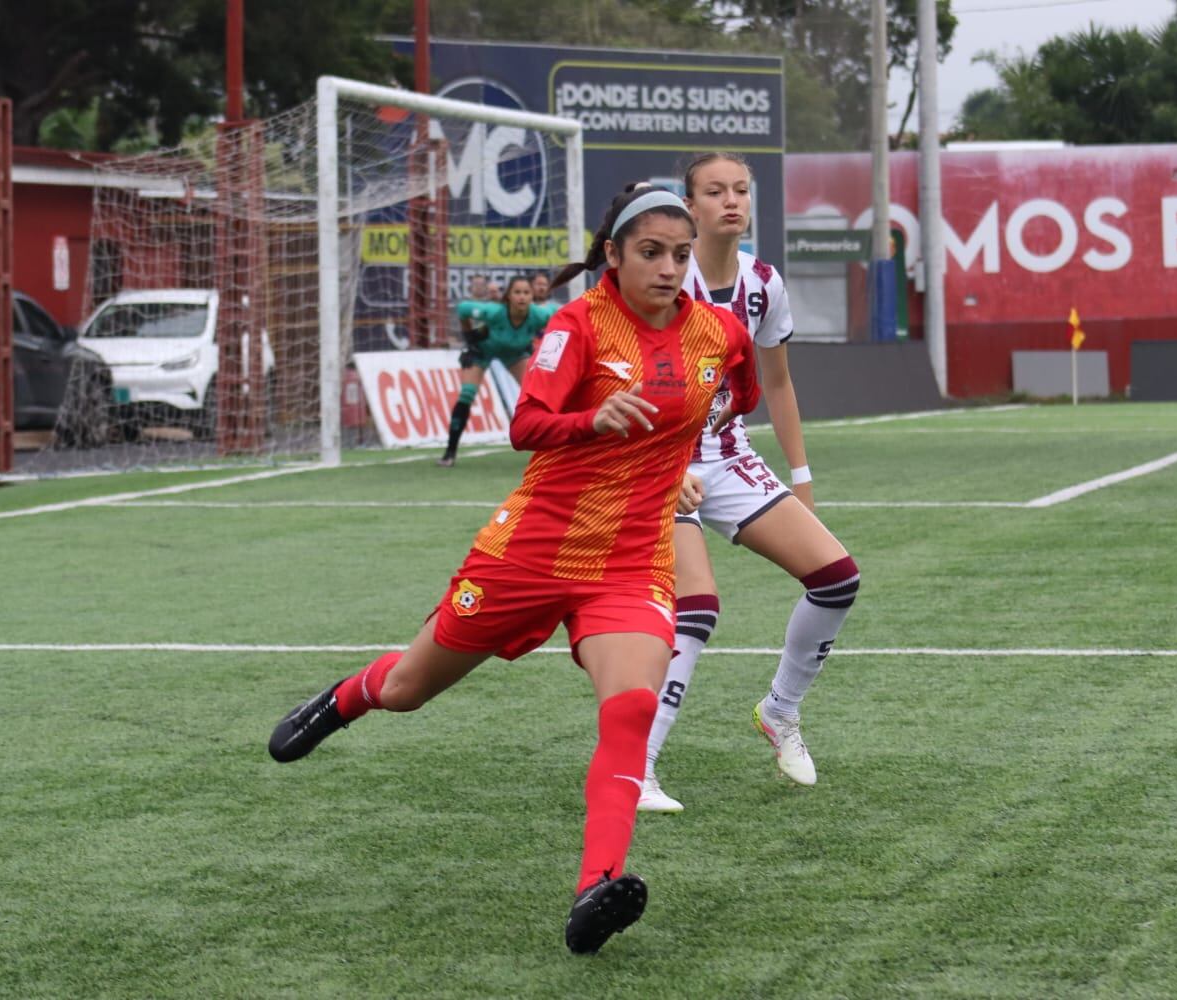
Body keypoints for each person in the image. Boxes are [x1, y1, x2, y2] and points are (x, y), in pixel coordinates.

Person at [267, 185, 761, 955]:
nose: (669, 268)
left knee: (630, 711)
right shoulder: (579, 324)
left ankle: (597, 887)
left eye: (680, 254)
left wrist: (686, 457)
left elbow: (739, 392)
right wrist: (593, 420)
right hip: (529, 553)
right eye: (651, 253)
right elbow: (526, 426)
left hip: (630, 561)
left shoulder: (719, 332)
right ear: (614, 255)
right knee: (408, 689)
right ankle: (344, 699)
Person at [637, 152, 861, 814]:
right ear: (690, 205)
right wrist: (667, 463)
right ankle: (639, 766)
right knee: (697, 608)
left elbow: (780, 384)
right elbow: (630, 377)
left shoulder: (763, 284)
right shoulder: (664, 282)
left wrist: (802, 477)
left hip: (728, 457)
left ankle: (780, 710)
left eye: (740, 189)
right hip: (659, 460)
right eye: (714, 191)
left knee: (837, 577)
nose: (731, 200)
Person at [438, 274, 555, 467]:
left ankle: (549, 451)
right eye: (517, 292)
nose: (522, 297)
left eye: (526, 292)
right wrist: (470, 338)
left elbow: (563, 315)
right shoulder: (495, 312)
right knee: (467, 393)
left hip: (516, 353)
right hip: (484, 350)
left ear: (532, 296)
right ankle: (449, 453)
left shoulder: (539, 315)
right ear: (508, 296)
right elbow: (462, 309)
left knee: (538, 396)